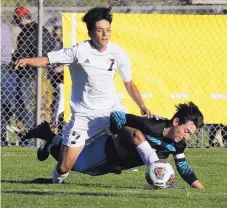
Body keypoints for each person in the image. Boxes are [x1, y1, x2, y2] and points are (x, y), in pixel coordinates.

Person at [16, 7, 152, 184]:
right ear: (90, 31)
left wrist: (142, 105)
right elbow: (48, 59)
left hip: (111, 113)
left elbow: (129, 83)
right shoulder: (79, 51)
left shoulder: (118, 53)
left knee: (135, 136)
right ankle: (54, 166)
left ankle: (156, 168)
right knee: (65, 166)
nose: (105, 35)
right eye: (100, 30)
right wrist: (27, 61)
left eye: (108, 30)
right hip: (84, 117)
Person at [24, 102, 204, 189]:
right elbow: (118, 116)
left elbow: (184, 168)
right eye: (187, 131)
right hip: (106, 149)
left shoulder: (177, 145)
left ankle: (48, 136)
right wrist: (116, 134)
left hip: (117, 163)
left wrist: (200, 189)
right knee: (74, 165)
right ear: (176, 121)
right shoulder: (151, 125)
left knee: (86, 170)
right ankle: (51, 142)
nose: (187, 137)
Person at [10, 6, 55, 145]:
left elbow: (21, 54)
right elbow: (51, 47)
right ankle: (43, 138)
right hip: (43, 72)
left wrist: (13, 62)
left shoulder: (26, 32)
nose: (17, 23)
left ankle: (34, 139)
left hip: (28, 74)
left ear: (21, 18)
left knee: (29, 107)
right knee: (42, 106)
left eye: (17, 20)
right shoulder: (42, 30)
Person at [47, 25, 64, 135]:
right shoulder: (57, 47)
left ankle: (57, 124)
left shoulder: (67, 46)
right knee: (57, 104)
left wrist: (61, 68)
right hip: (57, 81)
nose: (57, 37)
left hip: (64, 81)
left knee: (60, 105)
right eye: (54, 35)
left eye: (58, 35)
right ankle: (56, 125)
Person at [0, 21, 14, 146]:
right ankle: (2, 138)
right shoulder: (5, 26)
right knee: (2, 105)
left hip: (1, 66)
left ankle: (2, 138)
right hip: (4, 66)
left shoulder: (2, 27)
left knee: (2, 105)